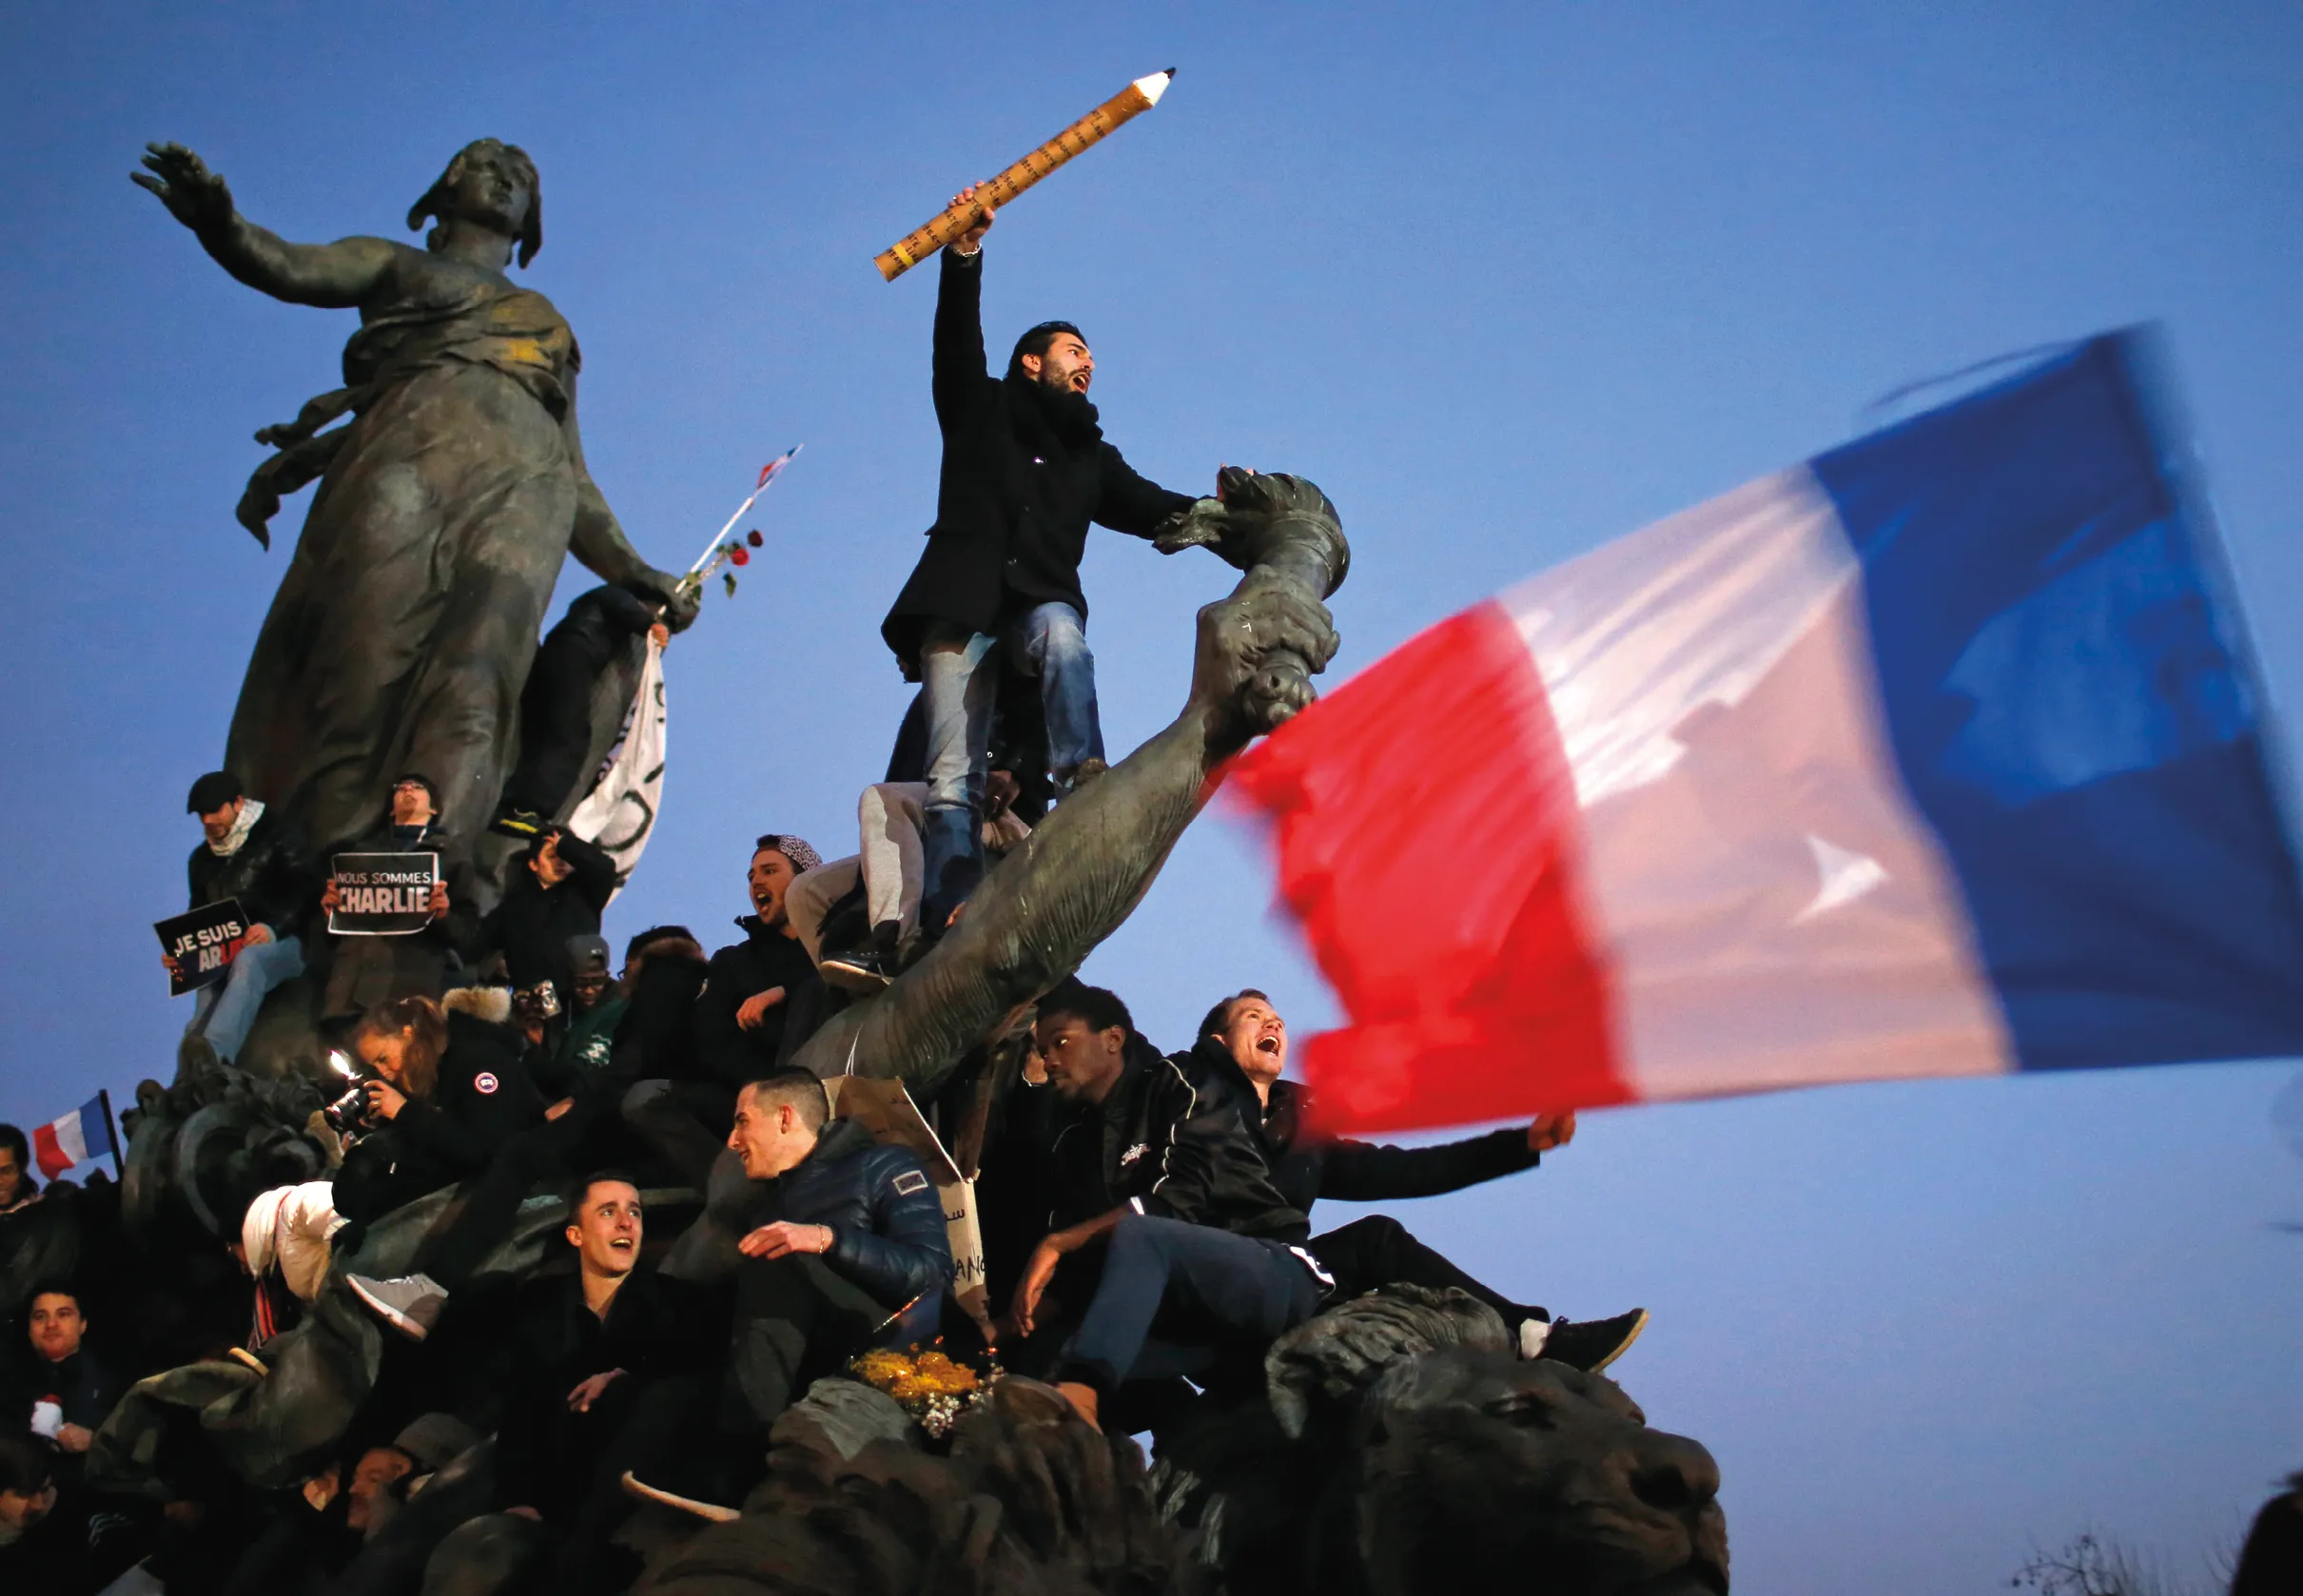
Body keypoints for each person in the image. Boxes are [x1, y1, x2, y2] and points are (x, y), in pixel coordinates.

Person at [134, 140, 696, 868]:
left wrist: (629, 566)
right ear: (443, 191)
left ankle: (438, 864)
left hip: (525, 495)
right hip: (402, 465)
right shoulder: (399, 265)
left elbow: (572, 469)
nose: (502, 181)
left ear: (533, 219)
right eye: (485, 168)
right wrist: (221, 224)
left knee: (481, 671)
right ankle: (321, 868)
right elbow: (289, 266)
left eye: (521, 179)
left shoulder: (544, 322)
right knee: (360, 661)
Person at [878, 183, 1217, 935]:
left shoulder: (1089, 454)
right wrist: (963, 253)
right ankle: (949, 905)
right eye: (1073, 349)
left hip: (1036, 600)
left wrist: (1229, 519)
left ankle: (1082, 775)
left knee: (1064, 637)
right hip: (960, 604)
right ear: (1030, 363)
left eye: (1091, 354)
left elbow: (1156, 507)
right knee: (949, 779)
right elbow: (954, 342)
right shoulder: (979, 407)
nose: (1087, 361)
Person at [1190, 988, 1648, 1372]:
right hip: (1215, 1279)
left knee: (1378, 1241)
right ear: (1219, 1040)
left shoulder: (1301, 1128)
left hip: (1294, 1276)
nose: (1273, 1026)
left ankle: (1533, 1338)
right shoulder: (1184, 1102)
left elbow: (1408, 1170)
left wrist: (1520, 1144)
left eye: (1278, 1020)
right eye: (1253, 1017)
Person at [1010, 981, 1324, 1431]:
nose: (1050, 1060)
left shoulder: (1179, 1079)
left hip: (1274, 1270)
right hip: (1206, 1324)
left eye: (1061, 1044)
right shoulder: (1084, 1143)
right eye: (1043, 1051)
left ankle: (1082, 1396)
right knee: (1048, 1360)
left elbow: (1173, 1203)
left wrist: (1059, 1243)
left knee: (1142, 1235)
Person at [492, 1174, 717, 1587]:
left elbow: (696, 1384)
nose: (626, 1223)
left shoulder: (680, 1302)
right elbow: (519, 1408)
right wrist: (518, 1499)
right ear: (576, 1235)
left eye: (634, 1212)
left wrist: (630, 1378)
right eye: (608, 1212)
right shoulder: (538, 1307)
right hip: (550, 1492)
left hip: (628, 1498)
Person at [715, 1072, 952, 1430]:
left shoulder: (884, 1167)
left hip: (890, 1352)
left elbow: (933, 1275)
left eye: (742, 1122)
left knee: (775, 1263)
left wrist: (829, 1239)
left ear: (784, 1117)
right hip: (812, 1365)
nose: (733, 1141)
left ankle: (744, 1457)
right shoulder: (765, 1212)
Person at [330, 991, 544, 1245]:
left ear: (408, 1033)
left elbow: (485, 1152)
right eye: (376, 1067)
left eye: (384, 1059)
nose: (386, 1074)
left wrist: (405, 1112)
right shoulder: (429, 1070)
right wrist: (384, 1121)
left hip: (512, 1191)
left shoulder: (476, 1060)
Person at [785, 770, 1033, 989]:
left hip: (994, 811)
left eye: (770, 870)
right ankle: (845, 992)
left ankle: (896, 946)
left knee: (884, 798)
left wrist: (1014, 769)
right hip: (930, 815)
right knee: (805, 891)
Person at [495, 585, 672, 838]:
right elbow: (625, 606)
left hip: (562, 656)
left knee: (544, 731)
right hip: (573, 656)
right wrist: (650, 624)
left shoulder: (589, 610)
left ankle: (512, 802)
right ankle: (527, 809)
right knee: (570, 733)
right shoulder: (613, 596)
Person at [171, 769, 319, 1067]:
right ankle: (187, 1074)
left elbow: (307, 887)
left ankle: (214, 1056)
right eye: (201, 814)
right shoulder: (201, 861)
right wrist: (183, 955)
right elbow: (198, 914)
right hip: (226, 951)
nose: (207, 821)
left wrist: (273, 928)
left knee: (248, 961)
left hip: (285, 945)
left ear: (238, 803)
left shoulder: (278, 835)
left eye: (214, 811)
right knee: (206, 981)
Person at [317, 774, 482, 1022]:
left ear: (434, 807)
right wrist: (331, 915)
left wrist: (444, 916)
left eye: (418, 787)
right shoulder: (358, 855)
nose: (408, 790)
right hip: (352, 984)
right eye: (400, 788)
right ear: (390, 808)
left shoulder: (451, 857)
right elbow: (327, 936)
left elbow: (468, 934)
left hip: (412, 983)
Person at [692, 836, 825, 1097]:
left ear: (804, 879)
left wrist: (783, 991)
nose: (756, 882)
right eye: (751, 876)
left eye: (770, 871)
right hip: (759, 1096)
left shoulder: (837, 940)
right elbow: (711, 1038)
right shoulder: (734, 962)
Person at [478, 826, 617, 1002]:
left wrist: (566, 845)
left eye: (564, 857)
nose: (560, 862)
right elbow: (473, 942)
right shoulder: (513, 908)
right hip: (537, 1009)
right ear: (534, 864)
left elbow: (605, 868)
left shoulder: (584, 892)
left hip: (583, 1000)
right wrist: (443, 916)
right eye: (552, 856)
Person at [5, 1285, 119, 1485]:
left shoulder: (111, 1383)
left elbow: (136, 1449)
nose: (51, 1325)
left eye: (63, 1314)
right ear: (29, 1329)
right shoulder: (9, 1378)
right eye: (40, 1317)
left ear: (82, 1324)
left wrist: (94, 1441)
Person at [234, 1181, 348, 1355]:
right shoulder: (278, 1257)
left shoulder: (296, 1205)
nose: (241, 1267)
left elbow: (346, 1222)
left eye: (230, 1249)